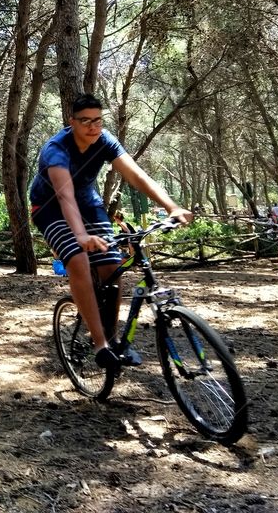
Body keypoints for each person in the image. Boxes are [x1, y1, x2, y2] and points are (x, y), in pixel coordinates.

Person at [29, 93, 193, 370]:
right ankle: (100, 344)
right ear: (72, 122)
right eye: (85, 122)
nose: (93, 127)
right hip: (50, 208)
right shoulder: (56, 149)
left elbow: (136, 175)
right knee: (79, 259)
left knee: (112, 266)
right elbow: (65, 195)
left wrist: (171, 207)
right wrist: (80, 236)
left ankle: (115, 340)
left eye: (97, 120)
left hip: (88, 204)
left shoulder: (104, 140)